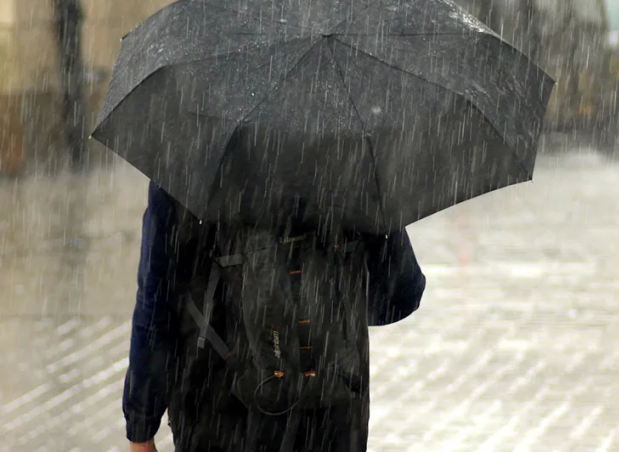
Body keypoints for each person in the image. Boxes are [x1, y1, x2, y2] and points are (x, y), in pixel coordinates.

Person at [125, 181, 426, 452]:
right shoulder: (351, 154)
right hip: (331, 405)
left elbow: (156, 304)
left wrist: (141, 423)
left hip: (217, 407)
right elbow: (402, 293)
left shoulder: (190, 159)